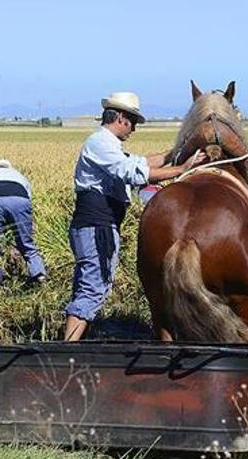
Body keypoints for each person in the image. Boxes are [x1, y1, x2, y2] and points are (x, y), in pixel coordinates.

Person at [64, 92, 206, 341]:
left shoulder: (110, 146)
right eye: (133, 122)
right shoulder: (100, 143)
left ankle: (75, 341)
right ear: (120, 118)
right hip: (97, 226)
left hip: (101, 225)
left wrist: (176, 152)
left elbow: (141, 161)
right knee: (92, 288)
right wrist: (182, 170)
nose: (134, 129)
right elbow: (132, 171)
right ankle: (68, 348)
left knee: (94, 285)